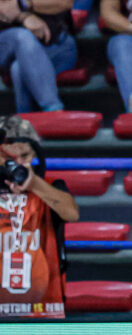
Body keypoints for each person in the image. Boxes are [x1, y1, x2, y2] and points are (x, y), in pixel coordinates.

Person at [0, 115, 78, 319]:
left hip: (43, 309)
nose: (18, 164)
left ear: (35, 153)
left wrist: (34, 183)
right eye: (9, 159)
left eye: (25, 156)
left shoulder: (51, 186)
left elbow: (71, 213)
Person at [0, 0, 78, 113]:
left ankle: (27, 130)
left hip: (55, 44)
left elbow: (64, 0)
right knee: (22, 36)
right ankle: (54, 111)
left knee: (19, 69)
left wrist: (24, 3)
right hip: (6, 42)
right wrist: (25, 17)